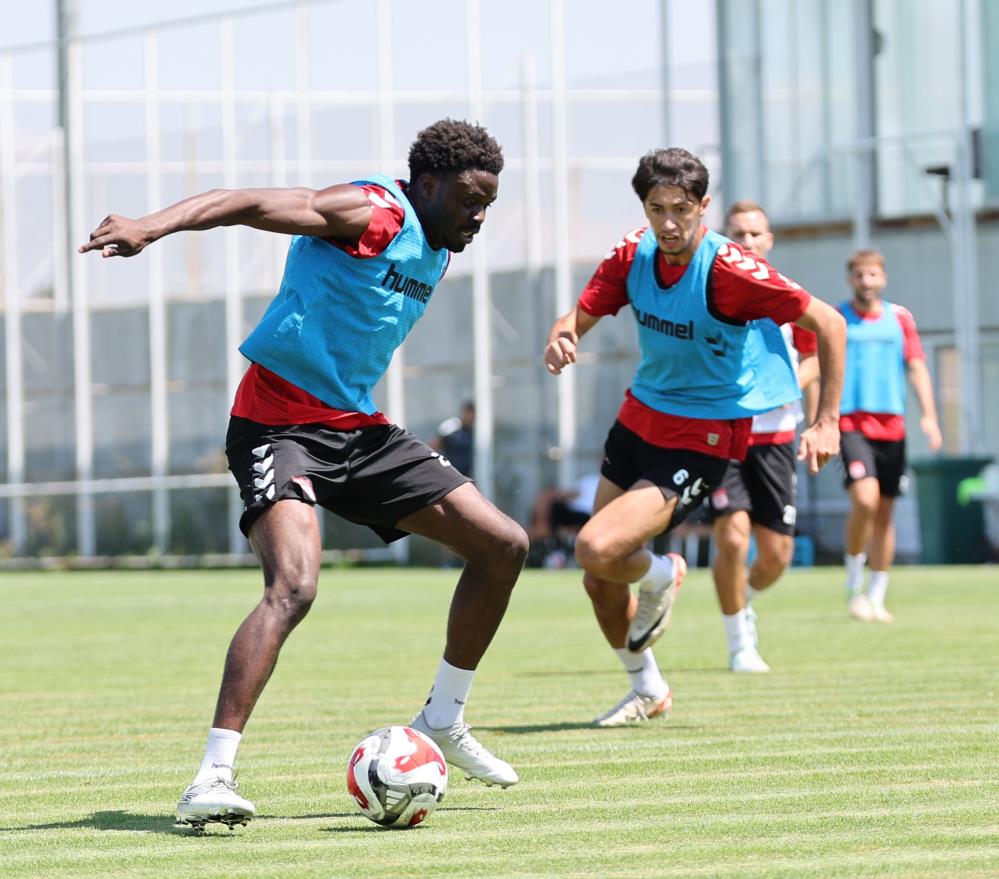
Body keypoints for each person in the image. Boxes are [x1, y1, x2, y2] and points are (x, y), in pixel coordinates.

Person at [80, 119, 527, 829]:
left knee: (503, 545)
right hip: (277, 424)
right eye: (470, 200)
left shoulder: (438, 248)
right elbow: (247, 202)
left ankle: (442, 718)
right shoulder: (371, 212)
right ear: (428, 185)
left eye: (488, 205)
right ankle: (211, 776)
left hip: (359, 430)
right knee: (294, 586)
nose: (479, 217)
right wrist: (149, 227)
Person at [544, 148, 845, 727]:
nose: (669, 223)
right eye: (656, 209)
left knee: (595, 549)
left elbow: (830, 323)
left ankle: (664, 574)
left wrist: (826, 420)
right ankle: (647, 689)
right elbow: (574, 318)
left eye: (681, 209)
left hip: (701, 437)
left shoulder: (732, 271)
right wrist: (562, 338)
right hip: (636, 422)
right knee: (598, 578)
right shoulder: (632, 254)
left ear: (704, 206)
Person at [706, 201, 820, 673]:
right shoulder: (708, 292)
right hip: (724, 434)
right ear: (724, 238)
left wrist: (812, 417)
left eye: (755, 234)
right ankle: (739, 644)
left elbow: (815, 358)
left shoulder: (789, 296)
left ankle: (742, 599)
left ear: (769, 241)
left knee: (776, 556)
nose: (747, 241)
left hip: (776, 437)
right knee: (733, 538)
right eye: (738, 233)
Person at [837, 249, 942, 622]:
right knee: (864, 500)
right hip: (851, 423)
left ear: (883, 278)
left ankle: (877, 596)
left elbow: (916, 366)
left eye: (872, 274)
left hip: (892, 427)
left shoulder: (899, 318)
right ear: (850, 279)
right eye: (859, 274)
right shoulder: (838, 317)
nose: (866, 281)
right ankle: (853, 585)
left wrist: (929, 415)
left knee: (884, 513)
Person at [429, 400, 476, 478]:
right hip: (451, 475)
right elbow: (433, 447)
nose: (472, 418)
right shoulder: (451, 427)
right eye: (470, 414)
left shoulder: (473, 431)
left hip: (466, 476)